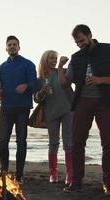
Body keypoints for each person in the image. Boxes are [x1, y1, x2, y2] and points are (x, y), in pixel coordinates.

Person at [59, 24, 110, 196]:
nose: (80, 44)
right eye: (76, 42)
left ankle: (109, 184)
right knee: (77, 142)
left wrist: (99, 80)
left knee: (109, 144)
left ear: (89, 35)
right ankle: (76, 182)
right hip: (82, 102)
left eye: (81, 40)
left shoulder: (109, 50)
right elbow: (65, 83)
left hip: (105, 101)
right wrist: (60, 67)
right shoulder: (76, 57)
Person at [0, 35, 37, 184]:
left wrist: (26, 86)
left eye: (14, 44)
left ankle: (19, 174)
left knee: (21, 141)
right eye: (9, 45)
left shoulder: (28, 64)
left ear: (19, 47)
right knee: (2, 140)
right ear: (6, 48)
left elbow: (35, 84)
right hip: (5, 108)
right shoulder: (0, 68)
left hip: (22, 108)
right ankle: (4, 170)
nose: (12, 47)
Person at [34, 50, 73, 185]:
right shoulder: (39, 79)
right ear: (45, 59)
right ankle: (53, 173)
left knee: (68, 142)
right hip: (51, 113)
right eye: (51, 58)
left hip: (68, 109)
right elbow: (36, 99)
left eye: (55, 58)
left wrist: (63, 64)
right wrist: (42, 92)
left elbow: (74, 75)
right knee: (53, 143)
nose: (54, 60)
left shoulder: (62, 71)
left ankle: (70, 174)